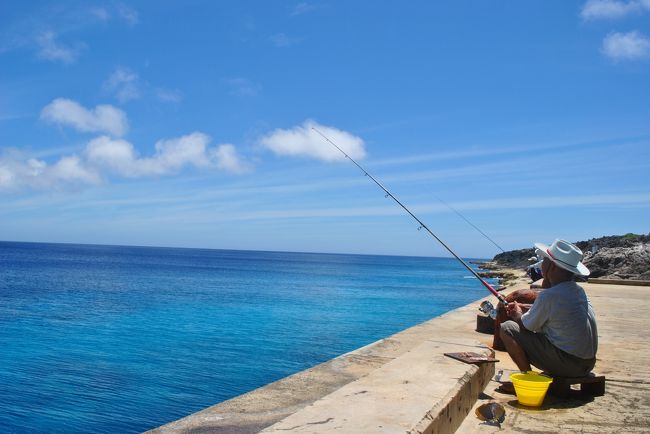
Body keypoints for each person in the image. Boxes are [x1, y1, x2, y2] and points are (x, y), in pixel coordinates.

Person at [499, 239, 598, 378]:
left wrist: (516, 314)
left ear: (551, 266)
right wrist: (524, 307)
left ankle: (528, 379)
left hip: (569, 365)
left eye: (545, 260)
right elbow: (555, 312)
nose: (542, 264)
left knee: (507, 328)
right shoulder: (578, 291)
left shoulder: (550, 296)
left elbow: (527, 326)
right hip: (587, 363)